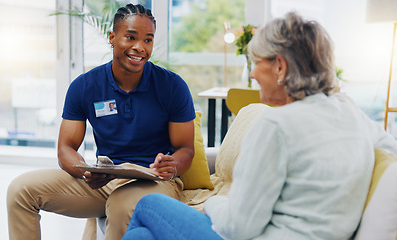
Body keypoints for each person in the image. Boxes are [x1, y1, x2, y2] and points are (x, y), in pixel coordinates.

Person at [122, 12, 397, 240]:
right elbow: (389, 151)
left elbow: (238, 228)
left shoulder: (276, 125)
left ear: (280, 67)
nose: (252, 73)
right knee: (142, 237)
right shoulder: (350, 112)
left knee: (148, 204)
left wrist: (214, 203)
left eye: (256, 62)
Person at [7, 3, 195, 240]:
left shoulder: (172, 86)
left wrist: (172, 165)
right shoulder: (85, 86)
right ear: (112, 37)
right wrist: (85, 170)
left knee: (120, 206)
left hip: (154, 181)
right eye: (130, 37)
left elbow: (186, 149)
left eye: (148, 40)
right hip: (105, 180)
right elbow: (66, 148)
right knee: (20, 190)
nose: (140, 47)